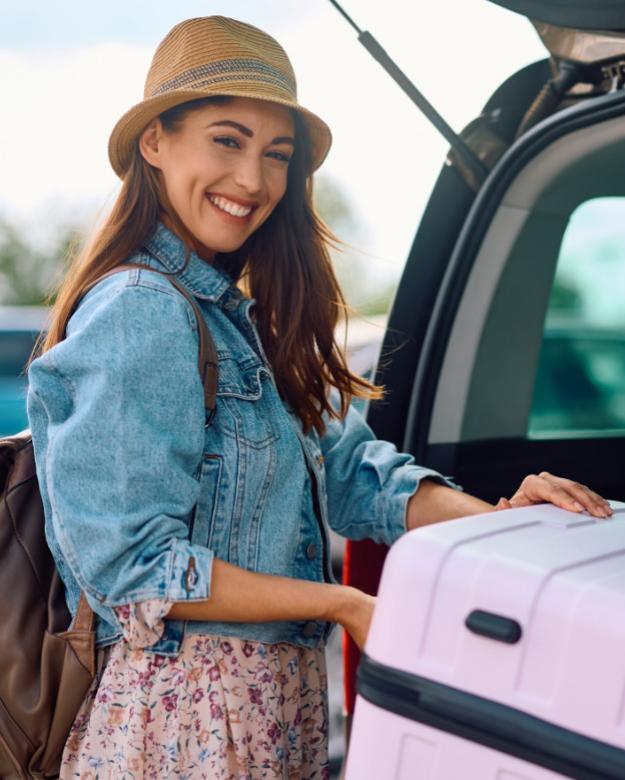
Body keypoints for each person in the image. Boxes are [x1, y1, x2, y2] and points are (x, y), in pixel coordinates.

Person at [26, 16, 612, 780]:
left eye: (276, 155)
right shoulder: (141, 308)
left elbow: (358, 474)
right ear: (155, 143)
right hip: (179, 729)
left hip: (270, 709)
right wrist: (340, 603)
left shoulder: (241, 320)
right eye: (227, 140)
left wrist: (505, 522)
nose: (254, 181)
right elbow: (133, 570)